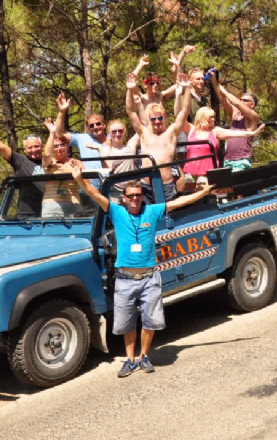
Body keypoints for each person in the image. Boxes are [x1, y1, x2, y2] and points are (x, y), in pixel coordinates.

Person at [69, 160, 213, 377]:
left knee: (150, 321)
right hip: (125, 279)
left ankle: (144, 356)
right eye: (131, 196)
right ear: (124, 198)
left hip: (149, 278)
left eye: (138, 195)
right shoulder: (116, 212)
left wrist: (204, 193)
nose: (135, 199)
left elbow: (179, 203)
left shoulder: (152, 211)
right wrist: (79, 178)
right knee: (127, 323)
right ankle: (130, 359)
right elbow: (94, 194)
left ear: (141, 196)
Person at [126, 72, 192, 201]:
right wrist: (130, 89)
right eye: (153, 118)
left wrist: (187, 88)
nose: (157, 121)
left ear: (165, 117)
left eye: (160, 118)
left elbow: (185, 111)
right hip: (146, 187)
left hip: (166, 186)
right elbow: (131, 111)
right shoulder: (144, 132)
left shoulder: (171, 132)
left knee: (168, 216)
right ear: (149, 119)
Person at [183, 107, 264, 186]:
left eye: (214, 117)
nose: (213, 119)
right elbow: (179, 117)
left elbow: (235, 133)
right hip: (189, 173)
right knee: (188, 194)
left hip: (205, 173)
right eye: (211, 117)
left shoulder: (215, 131)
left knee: (203, 193)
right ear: (203, 116)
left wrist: (253, 133)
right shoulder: (191, 129)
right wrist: (179, 95)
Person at [53, 93, 108, 174]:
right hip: (89, 185)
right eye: (91, 125)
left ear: (104, 125)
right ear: (88, 128)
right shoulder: (82, 138)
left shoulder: (114, 138)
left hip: (111, 183)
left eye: (98, 124)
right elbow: (58, 134)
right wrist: (62, 111)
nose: (95, 127)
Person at [212, 82, 262, 171]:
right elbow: (222, 99)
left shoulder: (254, 117)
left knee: (237, 183)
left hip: (242, 160)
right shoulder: (235, 113)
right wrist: (214, 80)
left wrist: (225, 92)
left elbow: (236, 103)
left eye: (245, 100)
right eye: (241, 99)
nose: (242, 101)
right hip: (228, 159)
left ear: (252, 105)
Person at [41, 118, 83, 218]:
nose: (59, 148)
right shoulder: (50, 163)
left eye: (62, 145)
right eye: (56, 146)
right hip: (52, 206)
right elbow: (47, 154)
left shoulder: (76, 162)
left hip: (73, 204)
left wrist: (77, 174)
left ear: (67, 145)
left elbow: (86, 184)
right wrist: (52, 132)